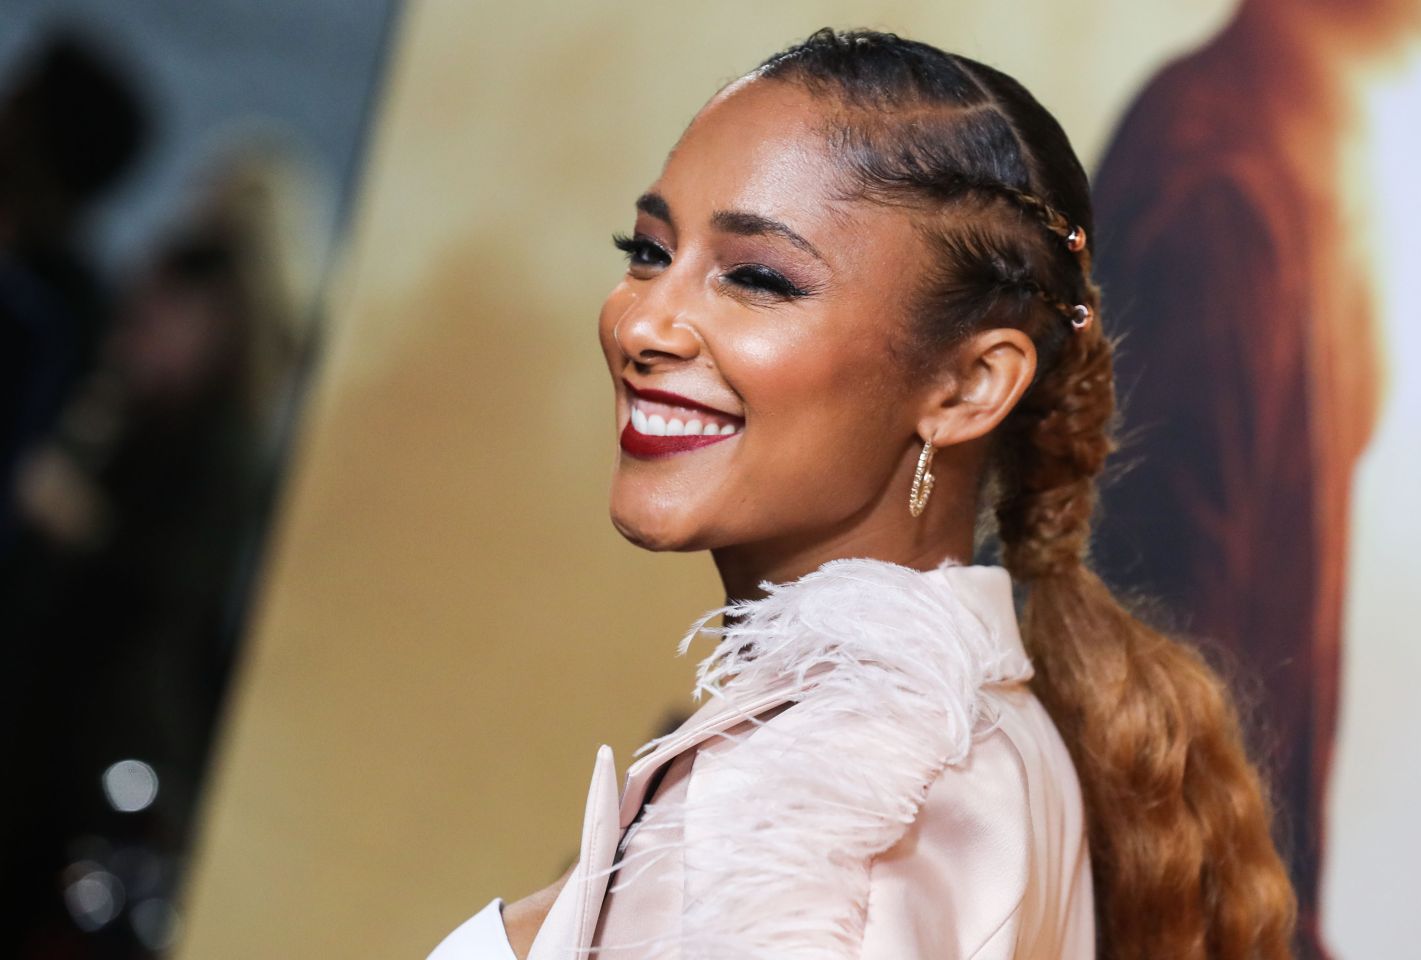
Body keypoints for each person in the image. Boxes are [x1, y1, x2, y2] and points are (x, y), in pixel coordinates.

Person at [427, 27, 1296, 960]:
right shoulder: (960, 744)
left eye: (757, 278)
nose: (642, 320)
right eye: (645, 250)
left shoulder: (834, 807)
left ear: (966, 387)